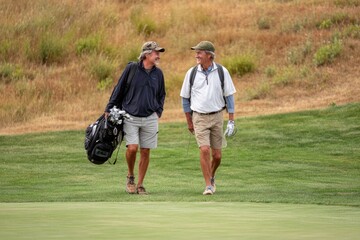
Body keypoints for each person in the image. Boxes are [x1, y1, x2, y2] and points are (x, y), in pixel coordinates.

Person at [104, 41, 166, 195]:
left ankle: (140, 184)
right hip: (130, 116)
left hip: (150, 117)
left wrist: (158, 111)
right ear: (146, 54)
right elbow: (118, 88)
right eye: (155, 53)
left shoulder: (158, 73)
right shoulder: (131, 68)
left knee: (145, 151)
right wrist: (109, 107)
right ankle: (130, 175)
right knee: (132, 148)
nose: (158, 55)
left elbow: (161, 94)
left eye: (159, 53)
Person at [180, 41, 236, 195]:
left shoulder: (222, 72)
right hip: (199, 117)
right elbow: (185, 99)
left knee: (217, 156)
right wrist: (189, 121)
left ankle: (211, 176)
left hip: (217, 116)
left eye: (200, 52)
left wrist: (231, 121)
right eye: (196, 52)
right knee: (204, 149)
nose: (196, 55)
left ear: (209, 55)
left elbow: (229, 97)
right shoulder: (191, 73)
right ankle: (208, 185)